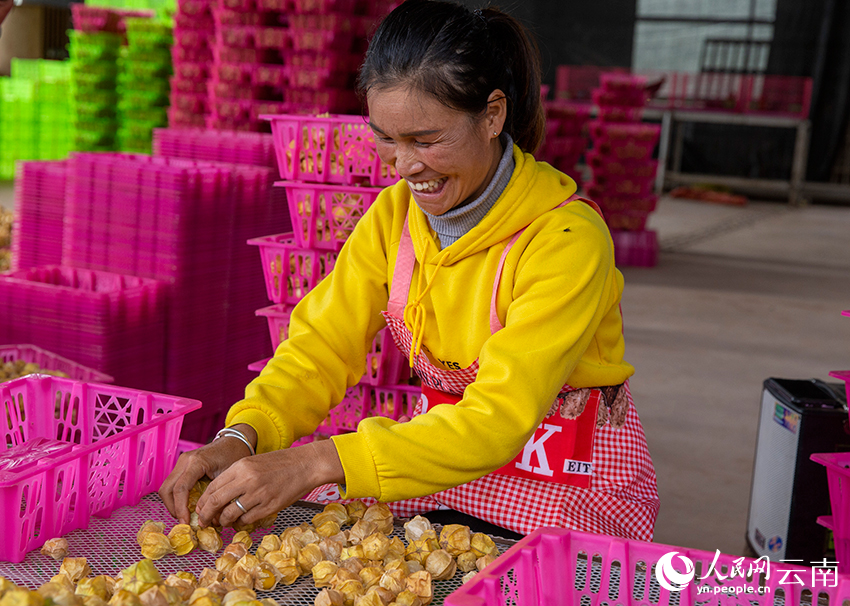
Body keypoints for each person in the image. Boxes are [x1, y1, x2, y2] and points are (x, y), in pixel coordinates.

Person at [159, 0, 659, 541]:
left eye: (425, 140)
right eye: (387, 139)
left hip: (565, 488)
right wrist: (243, 434)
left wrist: (312, 462)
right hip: (443, 468)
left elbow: (495, 420)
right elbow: (320, 348)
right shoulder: (394, 218)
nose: (403, 167)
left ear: (493, 115)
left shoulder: (565, 240)